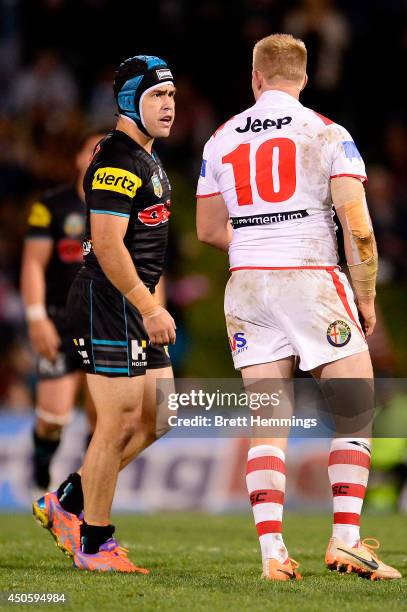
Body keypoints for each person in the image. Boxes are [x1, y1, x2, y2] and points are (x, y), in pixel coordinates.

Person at [196, 34, 401, 581]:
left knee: (268, 420)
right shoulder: (326, 132)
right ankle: (346, 542)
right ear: (304, 79)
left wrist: (256, 243)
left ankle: (273, 557)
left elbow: (209, 229)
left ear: (255, 78)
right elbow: (357, 228)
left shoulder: (219, 138)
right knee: (356, 405)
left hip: (246, 284)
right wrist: (366, 295)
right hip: (309, 275)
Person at [32, 55, 176, 573]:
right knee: (114, 424)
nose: (169, 106)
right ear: (128, 100)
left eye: (173, 96)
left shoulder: (148, 156)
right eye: (157, 95)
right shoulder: (117, 160)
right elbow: (108, 246)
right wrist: (147, 305)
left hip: (134, 301)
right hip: (108, 302)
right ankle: (94, 544)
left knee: (162, 414)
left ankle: (66, 499)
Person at [21, 131, 106, 493]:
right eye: (94, 151)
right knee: (54, 415)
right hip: (59, 319)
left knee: (102, 420)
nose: (100, 157)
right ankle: (41, 461)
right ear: (78, 158)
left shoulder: (124, 207)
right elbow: (33, 263)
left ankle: (82, 492)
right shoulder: (52, 205)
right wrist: (36, 316)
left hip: (104, 321)